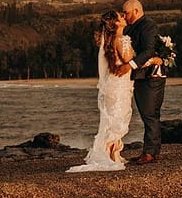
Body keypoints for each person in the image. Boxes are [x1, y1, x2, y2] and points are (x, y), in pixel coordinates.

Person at [67, 10, 159, 172]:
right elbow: (130, 62)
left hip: (112, 85)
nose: (124, 17)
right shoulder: (121, 40)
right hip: (120, 87)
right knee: (118, 121)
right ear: (115, 23)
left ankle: (112, 153)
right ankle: (110, 156)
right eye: (120, 16)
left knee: (110, 120)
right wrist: (154, 59)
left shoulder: (110, 41)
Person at [116, 0, 166, 164]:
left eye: (126, 12)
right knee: (149, 114)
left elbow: (148, 50)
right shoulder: (132, 27)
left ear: (136, 11)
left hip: (150, 76)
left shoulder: (148, 25)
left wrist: (129, 65)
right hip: (141, 76)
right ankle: (151, 151)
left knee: (149, 114)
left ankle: (150, 153)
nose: (124, 15)